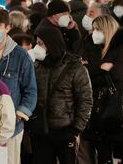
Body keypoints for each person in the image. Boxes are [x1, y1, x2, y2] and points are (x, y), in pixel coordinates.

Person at [78, 15, 123, 164]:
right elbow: (85, 73)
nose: (94, 33)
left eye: (98, 29)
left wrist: (94, 68)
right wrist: (103, 68)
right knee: (103, 154)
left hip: (120, 107)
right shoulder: (90, 47)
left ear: (108, 30)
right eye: (93, 29)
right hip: (99, 108)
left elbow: (119, 74)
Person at [29, 26, 92, 164]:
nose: (36, 47)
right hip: (41, 130)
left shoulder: (75, 67)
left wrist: (76, 129)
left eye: (40, 43)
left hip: (65, 130)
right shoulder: (36, 66)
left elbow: (85, 100)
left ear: (52, 43)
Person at [0, 8, 37, 164]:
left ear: (8, 28)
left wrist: (18, 116)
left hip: (10, 130)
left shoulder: (20, 55)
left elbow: (30, 91)